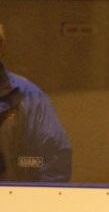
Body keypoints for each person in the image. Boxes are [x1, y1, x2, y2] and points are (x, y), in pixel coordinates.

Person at [0, 24, 71, 182]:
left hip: (13, 196)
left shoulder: (28, 96)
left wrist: (33, 197)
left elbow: (55, 159)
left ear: (1, 47)